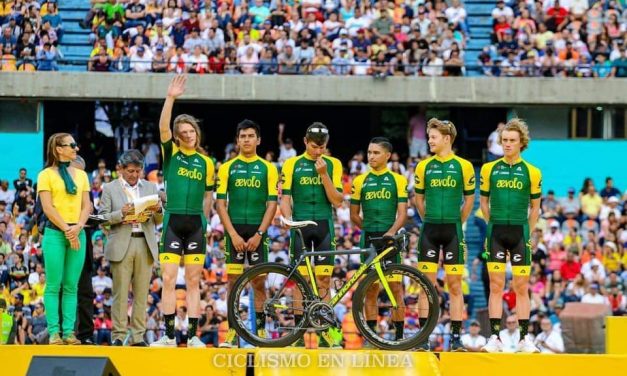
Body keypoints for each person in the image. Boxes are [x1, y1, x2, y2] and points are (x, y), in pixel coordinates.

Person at [151, 75, 215, 348]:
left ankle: (191, 337)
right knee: (167, 278)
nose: (190, 135)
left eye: (193, 131)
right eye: (185, 132)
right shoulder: (171, 154)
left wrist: (208, 222)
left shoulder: (207, 162)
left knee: (193, 281)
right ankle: (167, 335)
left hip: (197, 224)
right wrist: (171, 97)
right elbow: (163, 126)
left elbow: (208, 196)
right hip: (173, 221)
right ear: (178, 137)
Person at [479, 119, 542, 353]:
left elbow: (535, 208)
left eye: (511, 141)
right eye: (504, 140)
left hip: (519, 233)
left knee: (521, 286)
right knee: (496, 286)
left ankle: (525, 339)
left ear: (521, 143)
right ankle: (494, 337)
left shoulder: (532, 172)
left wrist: (528, 231)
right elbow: (483, 202)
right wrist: (491, 225)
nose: (506, 145)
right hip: (496, 232)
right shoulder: (489, 169)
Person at [280, 122, 344, 348]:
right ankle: (297, 334)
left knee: (324, 280)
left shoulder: (333, 164)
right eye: (315, 146)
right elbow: (285, 198)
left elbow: (337, 200)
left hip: (325, 224)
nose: (319, 151)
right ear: (305, 142)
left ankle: (324, 331)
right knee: (300, 282)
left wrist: (324, 174)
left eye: (323, 147)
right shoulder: (292, 164)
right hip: (300, 226)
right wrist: (287, 220)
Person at [216, 120, 279, 348]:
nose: (246, 140)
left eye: (251, 136)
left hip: (257, 231)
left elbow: (272, 204)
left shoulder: (269, 168)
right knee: (233, 282)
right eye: (242, 136)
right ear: (237, 140)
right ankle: (233, 333)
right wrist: (232, 234)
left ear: (258, 140)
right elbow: (220, 204)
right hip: (234, 231)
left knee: (258, 282)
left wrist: (259, 234)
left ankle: (260, 331)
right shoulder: (226, 167)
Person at [414, 119, 475, 351]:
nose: (429, 140)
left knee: (455, 285)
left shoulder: (464, 166)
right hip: (429, 230)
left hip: (453, 231)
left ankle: (457, 338)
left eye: (433, 137)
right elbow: (419, 199)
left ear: (447, 139)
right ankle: (422, 338)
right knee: (425, 285)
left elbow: (469, 199)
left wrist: (458, 222)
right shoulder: (423, 166)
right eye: (429, 136)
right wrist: (427, 218)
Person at [99, 150, 162, 346]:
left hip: (144, 242)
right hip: (122, 243)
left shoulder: (151, 187)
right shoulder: (110, 188)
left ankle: (137, 337)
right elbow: (102, 218)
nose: (134, 175)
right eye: (130, 171)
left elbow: (158, 220)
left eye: (138, 171)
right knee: (120, 293)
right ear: (121, 169)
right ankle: (118, 336)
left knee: (142, 294)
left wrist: (159, 209)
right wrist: (120, 213)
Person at [350, 137, 407, 343]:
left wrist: (390, 232)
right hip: (368, 239)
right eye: (369, 152)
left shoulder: (398, 180)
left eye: (375, 153)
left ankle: (400, 337)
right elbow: (354, 215)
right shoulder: (359, 180)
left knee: (395, 288)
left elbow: (403, 215)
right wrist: (368, 230)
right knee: (370, 288)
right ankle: (371, 337)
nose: (371, 156)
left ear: (387, 156)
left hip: (390, 239)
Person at [37, 133, 91, 345]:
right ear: (58, 149)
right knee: (53, 285)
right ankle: (54, 333)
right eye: (72, 145)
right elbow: (48, 208)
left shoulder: (82, 176)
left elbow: (87, 205)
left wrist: (77, 227)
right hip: (55, 234)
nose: (76, 149)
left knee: (71, 285)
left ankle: (69, 332)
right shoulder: (45, 175)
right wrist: (68, 229)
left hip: (77, 232)